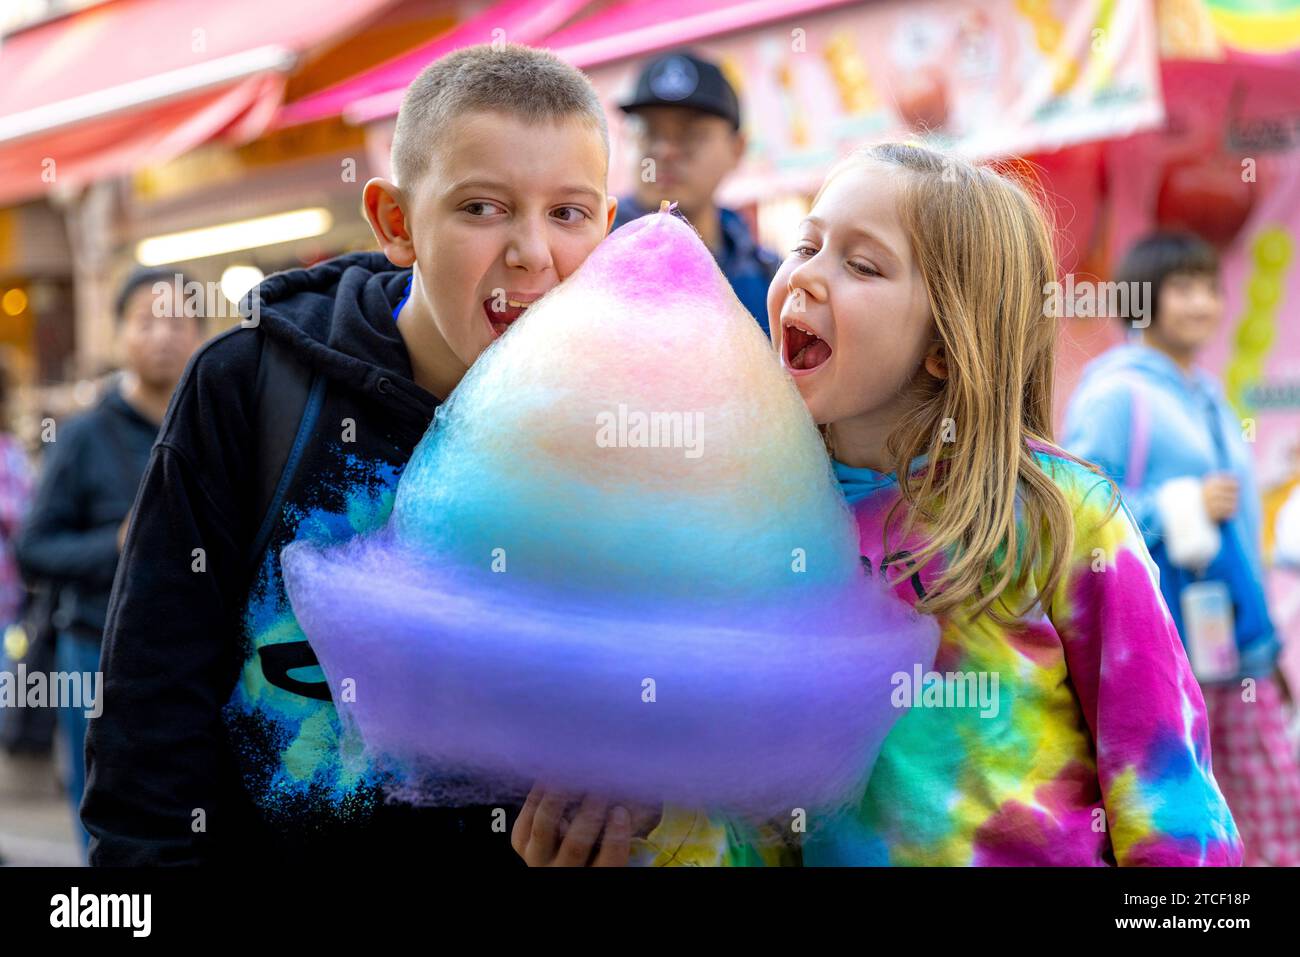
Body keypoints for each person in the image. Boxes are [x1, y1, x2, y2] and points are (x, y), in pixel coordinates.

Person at [512, 144, 1242, 867]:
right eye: (807, 244)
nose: (806, 276)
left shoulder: (1061, 514)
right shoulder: (757, 528)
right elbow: (755, 820)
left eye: (862, 265)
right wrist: (648, 830)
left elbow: (1165, 787)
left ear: (946, 345)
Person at [82, 44, 619, 866]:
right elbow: (151, 708)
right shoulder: (249, 387)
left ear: (608, 229)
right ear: (396, 222)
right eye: (482, 207)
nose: (532, 253)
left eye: (569, 213)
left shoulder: (629, 421)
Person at [1065, 232, 1300, 866]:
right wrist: (1181, 504)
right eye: (1183, 289)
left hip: (1236, 647)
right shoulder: (1116, 394)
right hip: (1164, 648)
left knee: (1272, 809)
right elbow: (1078, 511)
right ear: (1143, 301)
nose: (1202, 304)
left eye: (1209, 288)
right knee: (1187, 817)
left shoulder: (1210, 395)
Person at [15, 269, 205, 859]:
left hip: (196, 653)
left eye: (178, 321)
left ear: (202, 333)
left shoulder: (214, 425)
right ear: (119, 332)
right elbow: (34, 549)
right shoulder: (82, 437)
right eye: (145, 321)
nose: (162, 336)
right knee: (102, 811)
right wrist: (119, 544)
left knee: (187, 810)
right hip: (94, 649)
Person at [612, 50, 780, 334]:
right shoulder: (587, 256)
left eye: (691, 134)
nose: (665, 151)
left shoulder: (770, 277)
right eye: (648, 131)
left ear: (737, 149)